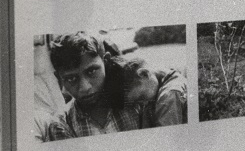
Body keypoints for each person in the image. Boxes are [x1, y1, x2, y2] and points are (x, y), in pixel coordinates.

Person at [42, 35, 189, 140]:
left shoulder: (136, 100)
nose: (85, 88)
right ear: (59, 79)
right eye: (71, 78)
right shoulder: (62, 126)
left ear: (105, 61)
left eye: (92, 71)